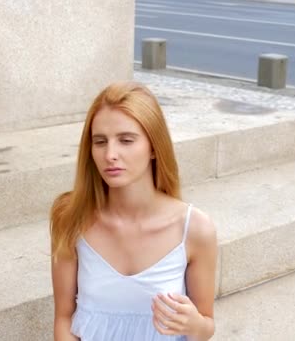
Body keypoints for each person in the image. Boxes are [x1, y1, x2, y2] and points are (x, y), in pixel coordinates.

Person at [50, 81, 217, 341]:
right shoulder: (71, 218)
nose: (110, 154)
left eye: (126, 140)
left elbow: (206, 326)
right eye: (100, 142)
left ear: (153, 147)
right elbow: (63, 317)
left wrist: (193, 324)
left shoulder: (194, 228)